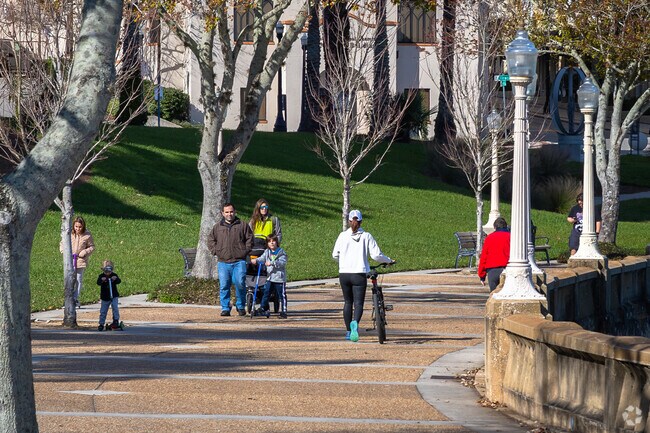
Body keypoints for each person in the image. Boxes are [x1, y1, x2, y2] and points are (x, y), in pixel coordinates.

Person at [332, 209, 394, 342]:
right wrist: (388, 261)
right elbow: (376, 255)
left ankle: (348, 331)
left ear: (349, 221)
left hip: (344, 273)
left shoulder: (342, 236)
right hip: (358, 274)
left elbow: (334, 255)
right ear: (361, 221)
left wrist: (343, 261)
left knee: (348, 302)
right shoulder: (366, 236)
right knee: (358, 303)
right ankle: (355, 324)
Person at [208, 203, 253, 317]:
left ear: (235, 212)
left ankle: (241, 306)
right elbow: (211, 240)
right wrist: (216, 251)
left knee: (240, 283)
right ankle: (225, 307)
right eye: (227, 212)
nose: (229, 214)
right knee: (224, 285)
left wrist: (244, 251)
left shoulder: (242, 225)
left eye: (231, 211)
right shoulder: (217, 227)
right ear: (222, 213)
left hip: (239, 261)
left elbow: (250, 239)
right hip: (223, 262)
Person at [60, 216, 95, 308]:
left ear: (83, 226)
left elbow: (92, 247)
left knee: (78, 279)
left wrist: (85, 252)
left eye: (80, 227)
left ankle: (75, 298)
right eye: (76, 227)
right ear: (73, 226)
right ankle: (68, 299)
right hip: (70, 259)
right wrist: (64, 252)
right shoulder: (69, 233)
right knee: (70, 280)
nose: (78, 229)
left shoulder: (87, 235)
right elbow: (62, 243)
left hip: (80, 260)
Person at [251, 234, 288, 318]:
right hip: (270, 278)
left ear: (276, 242)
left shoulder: (281, 252)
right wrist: (256, 260)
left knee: (281, 295)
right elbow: (262, 258)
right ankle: (263, 307)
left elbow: (282, 263)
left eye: (273, 241)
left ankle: (284, 310)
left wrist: (272, 263)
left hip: (279, 278)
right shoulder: (267, 252)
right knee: (266, 293)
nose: (272, 243)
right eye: (270, 242)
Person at [478, 217, 510, 292]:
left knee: (493, 293)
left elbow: (484, 257)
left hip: (492, 270)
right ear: (506, 226)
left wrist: (482, 275)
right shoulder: (511, 237)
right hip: (508, 269)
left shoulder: (489, 238)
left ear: (495, 227)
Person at [96, 260, 121, 331]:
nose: (107, 273)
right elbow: (98, 283)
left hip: (114, 296)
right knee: (103, 311)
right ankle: (101, 323)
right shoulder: (101, 276)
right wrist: (102, 280)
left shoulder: (114, 275)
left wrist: (115, 279)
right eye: (106, 272)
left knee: (115, 307)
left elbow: (119, 281)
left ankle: (116, 320)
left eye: (109, 272)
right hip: (105, 297)